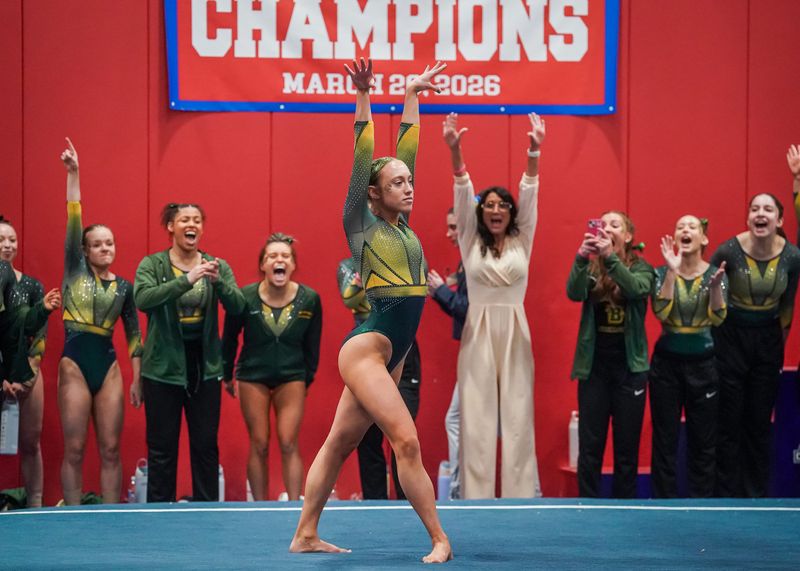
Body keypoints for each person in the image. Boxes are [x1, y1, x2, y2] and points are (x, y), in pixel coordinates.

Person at [290, 58, 451, 563]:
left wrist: (411, 94)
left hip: (393, 349)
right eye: (397, 182)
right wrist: (364, 97)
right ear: (375, 194)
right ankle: (439, 539)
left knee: (339, 442)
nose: (409, 184)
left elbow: (407, 150)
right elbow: (365, 162)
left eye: (409, 180)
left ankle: (305, 534)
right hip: (369, 346)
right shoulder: (360, 224)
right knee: (406, 441)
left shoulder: (403, 226)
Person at [442, 111, 543, 499]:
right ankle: (475, 498)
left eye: (504, 205)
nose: (497, 209)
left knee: (518, 418)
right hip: (478, 332)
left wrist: (534, 152)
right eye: (490, 205)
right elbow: (462, 191)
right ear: (481, 214)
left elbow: (531, 190)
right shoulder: (469, 238)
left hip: (516, 330)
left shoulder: (523, 239)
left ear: (512, 213)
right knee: (476, 419)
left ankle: (520, 498)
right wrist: (455, 150)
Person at [133, 202, 245, 502]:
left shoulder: (215, 265)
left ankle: (206, 513)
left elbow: (238, 307)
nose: (191, 224)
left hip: (204, 368)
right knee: (161, 450)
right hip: (162, 369)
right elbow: (143, 299)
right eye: (184, 220)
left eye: (197, 220)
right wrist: (187, 279)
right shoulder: (153, 265)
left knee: (206, 446)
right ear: (171, 226)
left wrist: (218, 280)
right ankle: (159, 515)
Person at [58, 138, 143, 504]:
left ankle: (111, 517)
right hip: (75, 363)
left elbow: (135, 335)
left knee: (110, 449)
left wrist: (137, 377)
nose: (105, 249)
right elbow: (74, 216)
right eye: (98, 244)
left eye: (110, 244)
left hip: (108, 366)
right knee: (75, 448)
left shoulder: (124, 287)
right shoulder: (75, 270)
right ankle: (71, 516)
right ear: (84, 250)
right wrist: (75, 173)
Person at [710, 186, 800, 497]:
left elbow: (787, 306)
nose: (760, 214)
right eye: (754, 209)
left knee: (759, 420)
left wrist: (776, 345)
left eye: (767, 210)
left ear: (779, 218)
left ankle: (756, 495)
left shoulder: (792, 256)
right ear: (748, 218)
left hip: (768, 340)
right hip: (730, 338)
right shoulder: (727, 251)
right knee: (729, 418)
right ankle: (725, 494)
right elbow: (711, 303)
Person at [222, 233, 322, 501]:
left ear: (293, 265)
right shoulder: (244, 297)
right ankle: (261, 506)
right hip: (253, 376)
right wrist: (226, 373)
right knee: (260, 444)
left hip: (292, 377)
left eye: (285, 256)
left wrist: (306, 379)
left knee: (289, 442)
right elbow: (229, 336)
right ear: (263, 265)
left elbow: (313, 345)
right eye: (272, 256)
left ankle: (293, 506)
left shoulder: (309, 299)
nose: (280, 260)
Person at [566, 211, 654, 498]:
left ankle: (625, 509)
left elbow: (637, 289)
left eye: (614, 226)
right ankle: (588, 507)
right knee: (590, 447)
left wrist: (611, 258)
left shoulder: (642, 268)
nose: (607, 230)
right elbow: (574, 292)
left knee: (626, 448)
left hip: (630, 369)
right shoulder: (591, 270)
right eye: (602, 225)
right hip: (595, 369)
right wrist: (581, 258)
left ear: (627, 236)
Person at [650, 216, 727, 498]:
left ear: (704, 239)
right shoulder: (660, 273)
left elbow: (718, 319)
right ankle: (662, 505)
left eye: (692, 227)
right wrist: (672, 271)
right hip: (666, 366)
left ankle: (702, 504)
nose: (685, 230)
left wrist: (717, 289)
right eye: (680, 226)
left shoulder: (716, 274)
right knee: (665, 440)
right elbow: (661, 313)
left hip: (703, 366)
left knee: (703, 441)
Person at [337, 256, 422, 500]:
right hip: (367, 350)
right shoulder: (348, 265)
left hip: (402, 351)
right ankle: (374, 502)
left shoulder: (406, 254)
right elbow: (351, 297)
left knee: (404, 434)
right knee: (364, 434)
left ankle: (406, 502)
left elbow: (410, 294)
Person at [0, 217, 49, 507]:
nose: (8, 245)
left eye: (12, 240)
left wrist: (30, 369)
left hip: (27, 371)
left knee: (31, 442)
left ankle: (36, 505)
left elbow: (40, 331)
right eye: (1, 240)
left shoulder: (32, 285)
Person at [426, 207, 468, 499]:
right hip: (473, 351)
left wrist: (441, 290)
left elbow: (468, 310)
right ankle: (461, 484)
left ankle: (459, 487)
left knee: (456, 419)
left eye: (454, 227)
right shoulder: (467, 264)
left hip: (480, 354)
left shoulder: (474, 263)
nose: (448, 234)